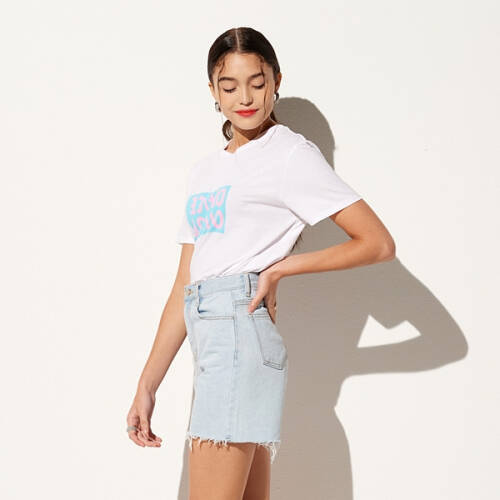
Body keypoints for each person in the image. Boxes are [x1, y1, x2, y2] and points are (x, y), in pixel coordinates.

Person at [126, 27, 396, 500]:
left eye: (257, 82)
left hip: (238, 336)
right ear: (213, 91)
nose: (245, 98)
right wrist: (148, 384)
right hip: (215, 341)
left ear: (276, 82)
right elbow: (185, 282)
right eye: (229, 86)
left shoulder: (289, 154)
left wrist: (280, 268)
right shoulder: (205, 172)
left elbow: (376, 242)